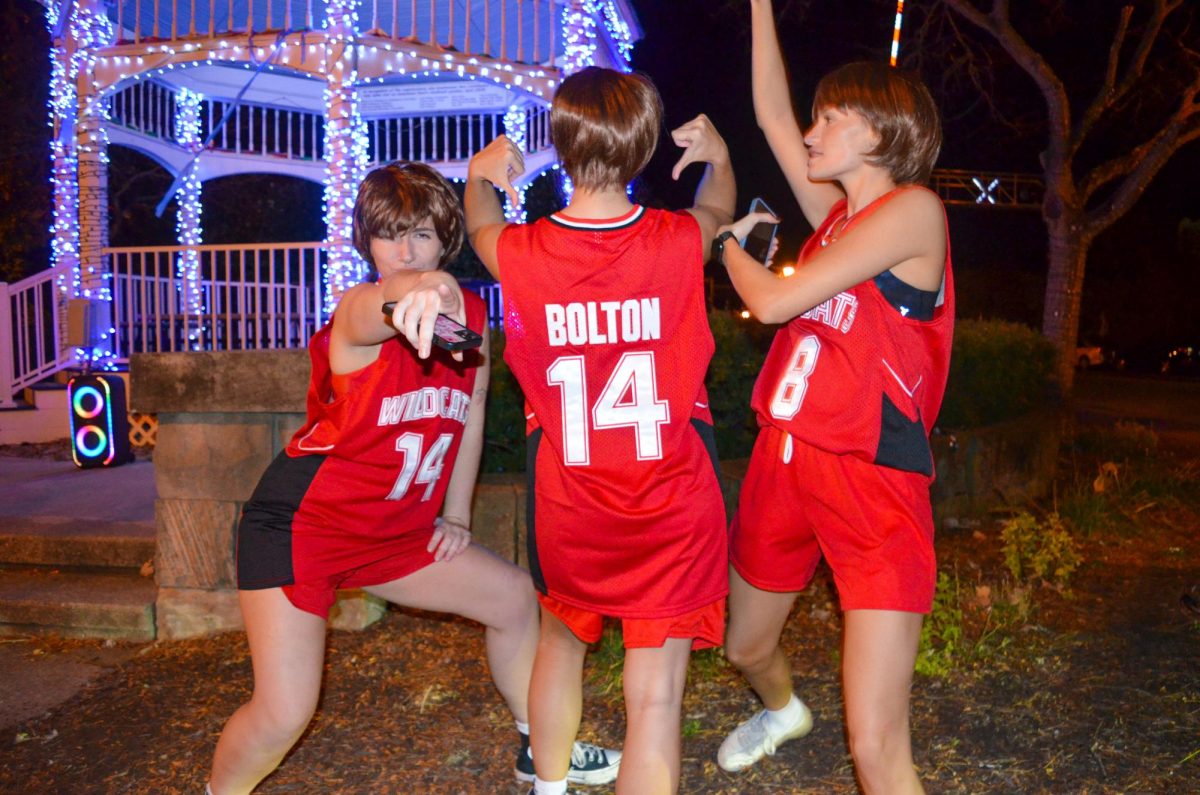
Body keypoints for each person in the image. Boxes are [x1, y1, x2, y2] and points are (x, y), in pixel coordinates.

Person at [205, 162, 619, 795]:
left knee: (513, 599)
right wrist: (424, 289)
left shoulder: (468, 318)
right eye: (389, 234)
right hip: (302, 529)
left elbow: (470, 416)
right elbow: (394, 303)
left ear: (444, 241)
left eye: (422, 234)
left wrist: (454, 514)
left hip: (395, 533)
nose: (404, 249)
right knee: (285, 711)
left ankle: (540, 748)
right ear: (366, 243)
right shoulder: (359, 315)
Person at [461, 67, 735, 795]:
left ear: (560, 142)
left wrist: (479, 174)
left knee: (558, 643)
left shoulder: (521, 254)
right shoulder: (675, 241)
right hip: (671, 504)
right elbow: (719, 205)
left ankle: (549, 788)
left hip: (572, 505)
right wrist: (721, 156)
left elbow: (481, 222)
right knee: (654, 701)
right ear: (643, 149)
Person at [711, 3, 955, 793]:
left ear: (882, 133)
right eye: (816, 119)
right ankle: (782, 710)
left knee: (877, 745)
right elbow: (772, 115)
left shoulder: (914, 212)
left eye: (833, 119)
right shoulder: (835, 223)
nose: (812, 133)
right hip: (785, 461)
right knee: (744, 647)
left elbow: (775, 304)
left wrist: (721, 241)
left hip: (871, 477)